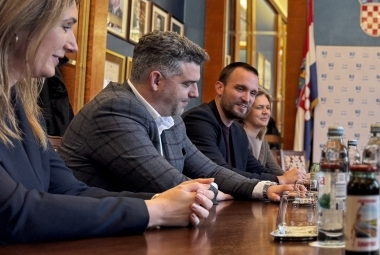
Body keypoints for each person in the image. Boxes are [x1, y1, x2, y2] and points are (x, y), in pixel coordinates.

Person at [0, 0, 213, 244]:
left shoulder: (23, 109)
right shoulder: (115, 108)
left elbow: (69, 191)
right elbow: (13, 214)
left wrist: (163, 201)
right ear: (21, 22)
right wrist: (156, 211)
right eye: (65, 27)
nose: (73, 46)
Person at [60, 31, 291, 202]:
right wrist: (218, 193)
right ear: (156, 80)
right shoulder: (115, 109)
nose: (195, 93)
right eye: (187, 84)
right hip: (93, 243)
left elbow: (209, 169)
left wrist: (262, 188)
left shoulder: (172, 119)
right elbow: (168, 183)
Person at [182, 63, 302, 183]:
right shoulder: (198, 120)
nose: (247, 98)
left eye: (253, 93)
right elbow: (219, 172)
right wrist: (279, 179)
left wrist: (293, 177)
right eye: (240, 89)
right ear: (220, 88)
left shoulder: (238, 130)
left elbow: (256, 168)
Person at [241, 88, 284, 176]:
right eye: (259, 107)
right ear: (246, 111)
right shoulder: (238, 136)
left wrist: (301, 177)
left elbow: (277, 171)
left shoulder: (262, 139)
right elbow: (248, 174)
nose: (266, 112)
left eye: (268, 108)